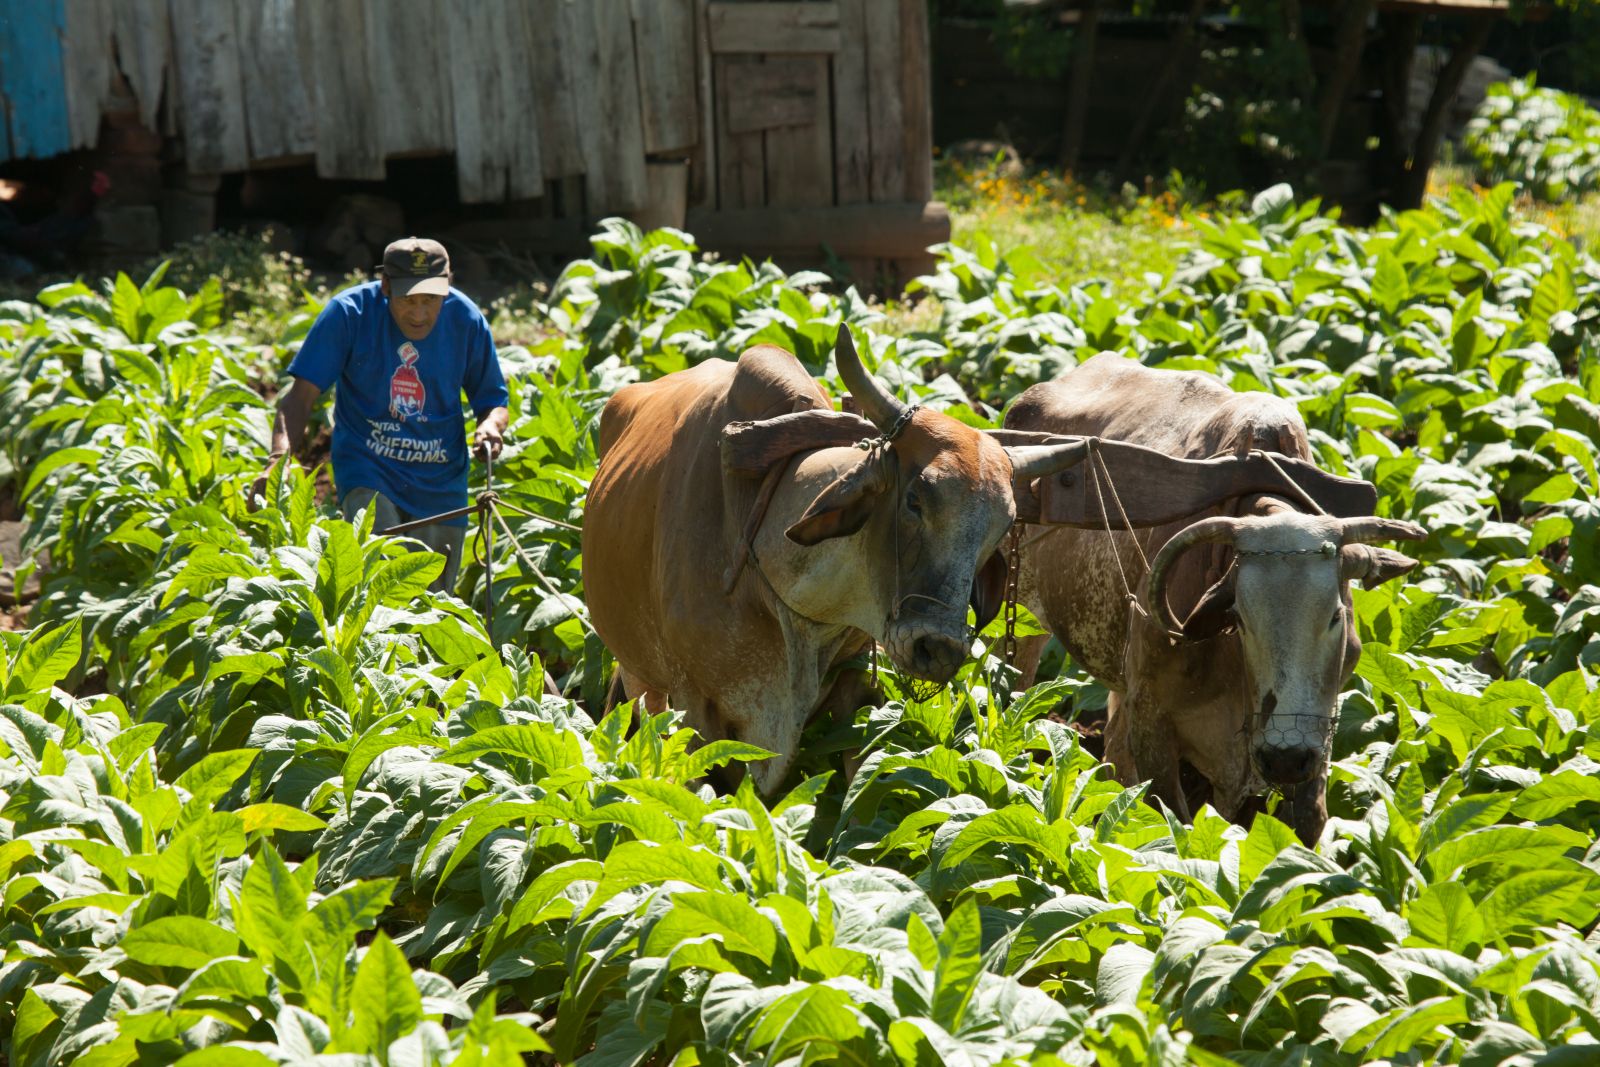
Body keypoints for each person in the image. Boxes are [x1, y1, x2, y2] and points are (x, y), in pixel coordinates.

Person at [251, 236, 509, 594]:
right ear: (385, 285)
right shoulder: (349, 315)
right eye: (408, 300)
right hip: (369, 469)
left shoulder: (466, 320)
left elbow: (492, 400)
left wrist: (490, 426)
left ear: (448, 286)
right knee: (381, 580)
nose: (419, 314)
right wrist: (279, 460)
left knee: (432, 606)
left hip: (440, 481)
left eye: (430, 300)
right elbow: (300, 397)